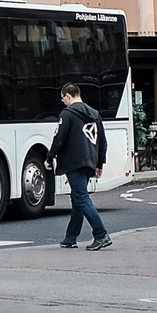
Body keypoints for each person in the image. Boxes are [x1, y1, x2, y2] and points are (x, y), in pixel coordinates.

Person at [53, 83, 112, 251]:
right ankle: (70, 237)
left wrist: (50, 158)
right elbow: (102, 141)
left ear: (69, 95)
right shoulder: (95, 114)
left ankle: (101, 234)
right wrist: (99, 164)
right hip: (90, 161)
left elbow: (59, 139)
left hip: (74, 162)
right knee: (77, 199)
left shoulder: (67, 114)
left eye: (63, 98)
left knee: (82, 198)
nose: (63, 101)